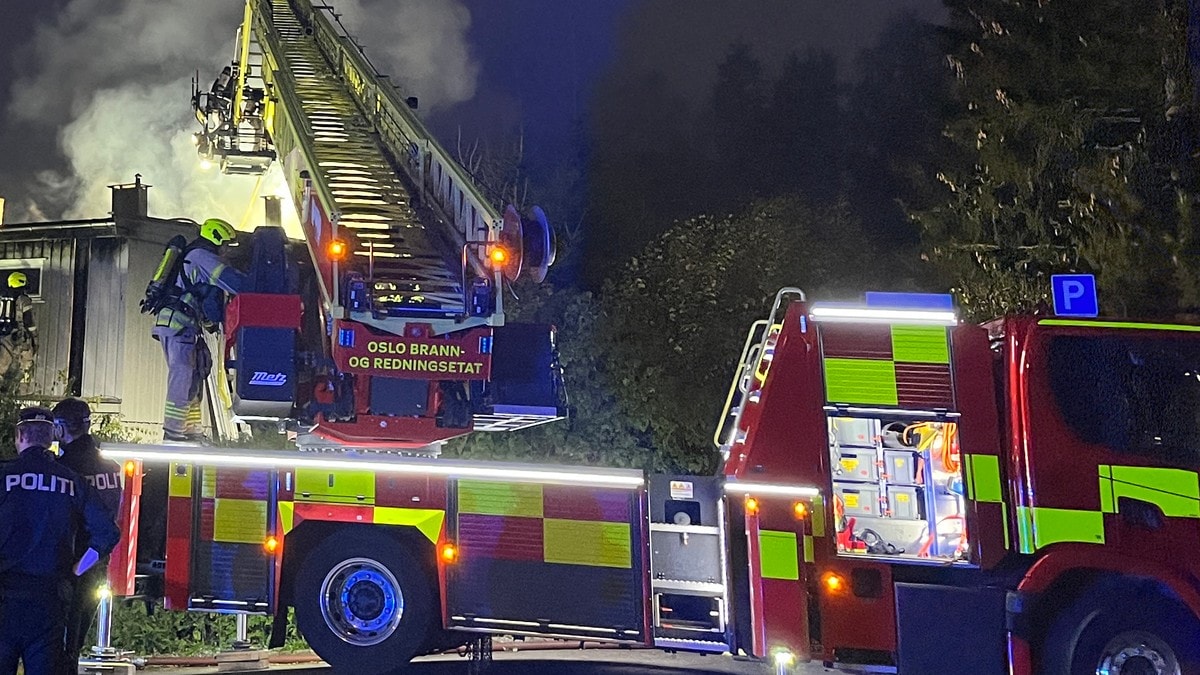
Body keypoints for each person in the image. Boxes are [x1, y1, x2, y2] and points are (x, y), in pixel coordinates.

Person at [0, 407, 120, 675]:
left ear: (19, 435)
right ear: (51, 437)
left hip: (5, 600)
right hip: (50, 601)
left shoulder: (3, 475)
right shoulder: (72, 481)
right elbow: (107, 534)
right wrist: (76, 569)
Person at [152, 218, 246, 442]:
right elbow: (233, 282)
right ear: (216, 238)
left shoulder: (196, 255)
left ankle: (190, 428)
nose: (226, 250)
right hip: (178, 324)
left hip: (184, 325)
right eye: (225, 244)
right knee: (183, 373)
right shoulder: (201, 257)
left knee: (195, 374)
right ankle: (173, 430)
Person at [53, 398, 122, 661]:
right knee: (76, 643)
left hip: (68, 565)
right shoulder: (111, 468)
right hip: (96, 565)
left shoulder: (64, 470)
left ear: (60, 429)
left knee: (58, 646)